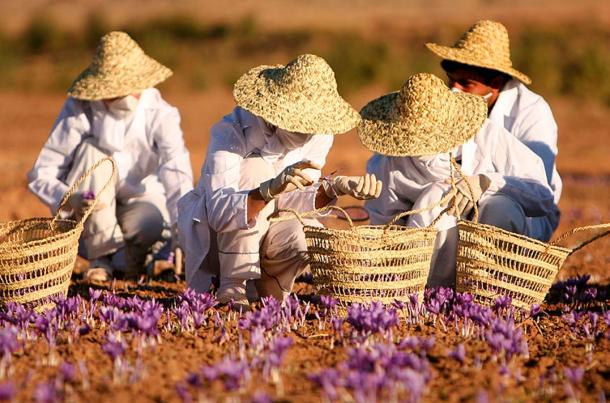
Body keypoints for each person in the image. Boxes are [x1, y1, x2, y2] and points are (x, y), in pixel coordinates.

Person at [178, 54, 382, 307]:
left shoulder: (320, 135)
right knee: (256, 168)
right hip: (218, 242)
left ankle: (267, 286)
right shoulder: (231, 132)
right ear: (274, 114)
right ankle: (233, 283)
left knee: (307, 231)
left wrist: (332, 188)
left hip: (272, 232)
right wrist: (266, 190)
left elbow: (296, 204)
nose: (309, 131)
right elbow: (219, 213)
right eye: (300, 122)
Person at [361, 73, 557, 287]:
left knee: (501, 207)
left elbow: (542, 196)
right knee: (436, 196)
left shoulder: (486, 135)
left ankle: (492, 291)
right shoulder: (390, 163)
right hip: (426, 260)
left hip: (493, 247)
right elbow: (385, 228)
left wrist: (486, 183)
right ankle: (433, 292)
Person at [28, 31, 193, 281]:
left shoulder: (160, 114)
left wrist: (184, 232)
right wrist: (68, 197)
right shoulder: (81, 108)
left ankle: (133, 261)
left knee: (149, 223)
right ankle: (100, 259)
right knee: (93, 152)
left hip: (139, 207)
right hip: (87, 213)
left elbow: (176, 171)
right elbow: (42, 173)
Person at [426, 19, 561, 241]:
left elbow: (537, 190)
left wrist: (484, 182)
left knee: (498, 209)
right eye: (451, 81)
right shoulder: (445, 106)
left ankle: (490, 274)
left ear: (496, 83)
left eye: (466, 84)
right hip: (461, 202)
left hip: (522, 212)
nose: (453, 90)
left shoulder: (532, 112)